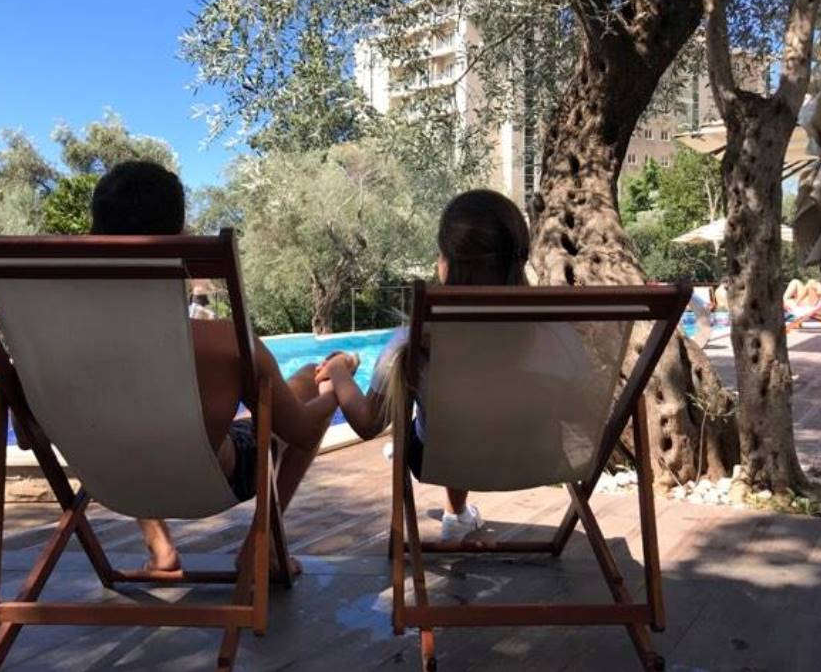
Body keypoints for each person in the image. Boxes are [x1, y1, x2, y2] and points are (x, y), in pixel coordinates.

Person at [90, 160, 356, 574]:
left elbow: (30, 435)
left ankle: (160, 549)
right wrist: (336, 383)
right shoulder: (225, 341)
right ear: (181, 242)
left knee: (128, 425)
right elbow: (301, 433)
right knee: (307, 376)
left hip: (114, 482)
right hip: (215, 478)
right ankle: (261, 550)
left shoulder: (66, 348)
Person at [315, 189, 531, 541]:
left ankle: (454, 508)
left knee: (446, 421)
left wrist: (339, 370)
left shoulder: (418, 340)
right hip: (531, 460)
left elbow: (369, 423)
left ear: (446, 264)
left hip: (438, 458)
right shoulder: (556, 333)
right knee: (476, 412)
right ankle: (456, 514)